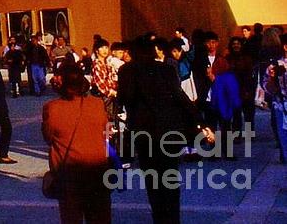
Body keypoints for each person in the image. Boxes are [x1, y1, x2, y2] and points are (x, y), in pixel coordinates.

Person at [118, 34, 214, 223]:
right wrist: (201, 122)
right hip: (169, 130)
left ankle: (159, 218)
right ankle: (173, 218)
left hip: (144, 132)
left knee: (152, 180)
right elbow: (180, 98)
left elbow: (124, 99)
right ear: (153, 50)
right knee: (170, 177)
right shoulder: (166, 69)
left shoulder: (126, 71)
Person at [41, 64, 111, 224]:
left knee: (71, 218)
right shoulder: (97, 104)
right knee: (100, 217)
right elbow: (105, 132)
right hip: (98, 170)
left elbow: (48, 137)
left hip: (69, 174)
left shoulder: (52, 108)